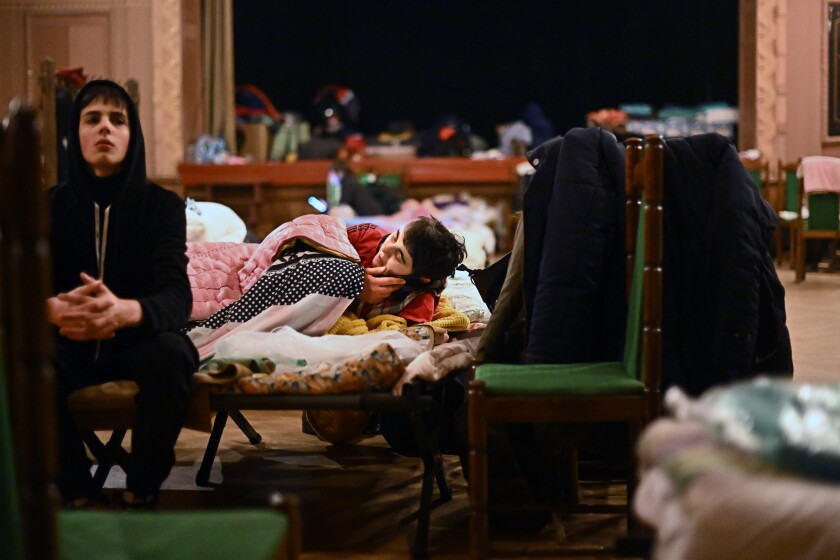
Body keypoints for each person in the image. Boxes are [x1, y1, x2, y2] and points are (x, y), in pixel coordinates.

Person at [47, 80, 197, 509]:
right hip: (67, 343)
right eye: (92, 119)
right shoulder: (47, 206)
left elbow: (176, 297)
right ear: (74, 135)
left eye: (118, 119)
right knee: (19, 356)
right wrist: (54, 309)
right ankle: (75, 489)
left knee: (175, 351)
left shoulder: (162, 206)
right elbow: (17, 293)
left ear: (133, 135)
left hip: (135, 343)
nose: (105, 129)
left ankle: (142, 485)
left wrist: (124, 311)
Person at [347, 217, 467, 324]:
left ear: (419, 278)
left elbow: (406, 336)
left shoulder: (418, 300)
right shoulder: (365, 235)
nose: (385, 249)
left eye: (398, 256)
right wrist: (354, 286)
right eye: (394, 238)